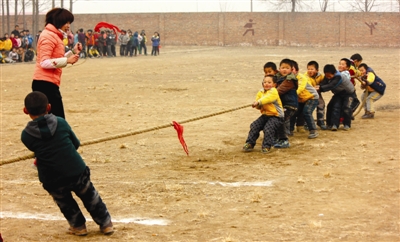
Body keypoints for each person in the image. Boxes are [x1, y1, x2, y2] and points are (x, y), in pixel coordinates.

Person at [21, 91, 114, 236]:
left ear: (25, 111)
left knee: (65, 203)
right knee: (90, 196)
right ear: (49, 107)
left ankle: (79, 226)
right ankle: (105, 223)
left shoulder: (26, 135)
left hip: (52, 177)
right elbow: (75, 144)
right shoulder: (61, 122)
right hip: (76, 170)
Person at [32, 8, 82, 119]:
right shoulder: (48, 36)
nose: (68, 25)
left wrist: (73, 52)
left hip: (49, 83)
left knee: (52, 121)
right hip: (44, 84)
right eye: (66, 22)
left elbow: (56, 59)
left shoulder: (55, 36)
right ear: (58, 21)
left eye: (69, 22)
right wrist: (67, 61)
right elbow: (44, 63)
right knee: (57, 120)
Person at [243, 75, 284, 154]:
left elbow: (268, 98)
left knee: (268, 128)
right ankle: (250, 143)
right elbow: (259, 105)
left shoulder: (274, 91)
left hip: (276, 116)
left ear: (274, 84)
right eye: (265, 82)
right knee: (254, 125)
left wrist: (259, 102)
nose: (266, 84)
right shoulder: (261, 92)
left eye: (269, 82)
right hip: (266, 115)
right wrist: (256, 105)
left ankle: (266, 146)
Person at [317, 64, 355, 131]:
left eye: (329, 76)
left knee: (346, 108)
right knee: (332, 107)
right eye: (327, 76)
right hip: (338, 94)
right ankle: (332, 124)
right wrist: (318, 86)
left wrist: (320, 88)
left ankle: (347, 124)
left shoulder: (338, 77)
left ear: (334, 73)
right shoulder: (327, 77)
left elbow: (331, 85)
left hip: (349, 94)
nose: (328, 77)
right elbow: (323, 83)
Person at [290, 60, 319, 139]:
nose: (290, 71)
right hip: (301, 99)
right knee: (293, 111)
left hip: (312, 97)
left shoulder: (301, 77)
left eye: (292, 69)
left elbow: (300, 89)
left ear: (297, 70)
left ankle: (313, 130)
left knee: (307, 112)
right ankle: (290, 130)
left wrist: (291, 96)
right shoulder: (288, 78)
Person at [274, 58, 298, 147]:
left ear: (291, 70)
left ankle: (284, 140)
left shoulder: (289, 80)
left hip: (290, 105)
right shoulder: (277, 78)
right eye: (282, 67)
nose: (284, 70)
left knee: (280, 120)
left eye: (287, 68)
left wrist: (266, 98)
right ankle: (276, 138)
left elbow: (278, 91)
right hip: (283, 105)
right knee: (276, 120)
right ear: (279, 69)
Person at [305, 61, 326, 130]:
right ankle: (306, 123)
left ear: (317, 70)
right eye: (308, 69)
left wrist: (320, 86)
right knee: (308, 108)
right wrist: (314, 88)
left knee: (321, 105)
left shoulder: (320, 76)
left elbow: (325, 81)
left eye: (312, 69)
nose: (310, 71)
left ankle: (321, 121)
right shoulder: (305, 77)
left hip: (317, 94)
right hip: (308, 95)